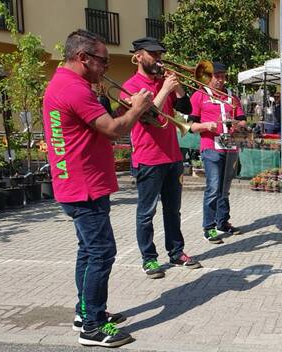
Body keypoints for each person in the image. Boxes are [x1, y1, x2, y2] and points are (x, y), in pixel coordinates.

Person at [43, 29, 153, 347]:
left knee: (88, 253)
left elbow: (96, 125)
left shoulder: (64, 84)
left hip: (76, 183)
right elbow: (112, 130)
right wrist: (137, 108)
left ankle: (86, 310)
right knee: (103, 254)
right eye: (102, 61)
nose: (106, 67)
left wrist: (126, 109)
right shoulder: (75, 89)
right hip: (84, 186)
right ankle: (92, 325)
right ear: (83, 58)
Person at [121, 37, 201, 280]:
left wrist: (176, 88)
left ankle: (176, 252)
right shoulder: (130, 85)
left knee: (173, 210)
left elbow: (187, 110)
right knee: (147, 213)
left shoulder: (162, 81)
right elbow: (147, 116)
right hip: (148, 157)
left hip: (172, 155)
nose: (159, 59)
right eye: (153, 54)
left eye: (160, 54)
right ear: (138, 56)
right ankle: (149, 259)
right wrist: (165, 89)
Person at [189, 61, 247, 244]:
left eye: (223, 76)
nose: (221, 80)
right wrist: (206, 125)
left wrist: (236, 124)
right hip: (211, 147)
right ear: (209, 77)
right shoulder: (199, 95)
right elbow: (190, 126)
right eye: (217, 77)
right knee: (213, 188)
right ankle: (209, 227)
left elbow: (243, 120)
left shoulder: (232, 96)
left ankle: (223, 222)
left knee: (225, 188)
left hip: (230, 146)